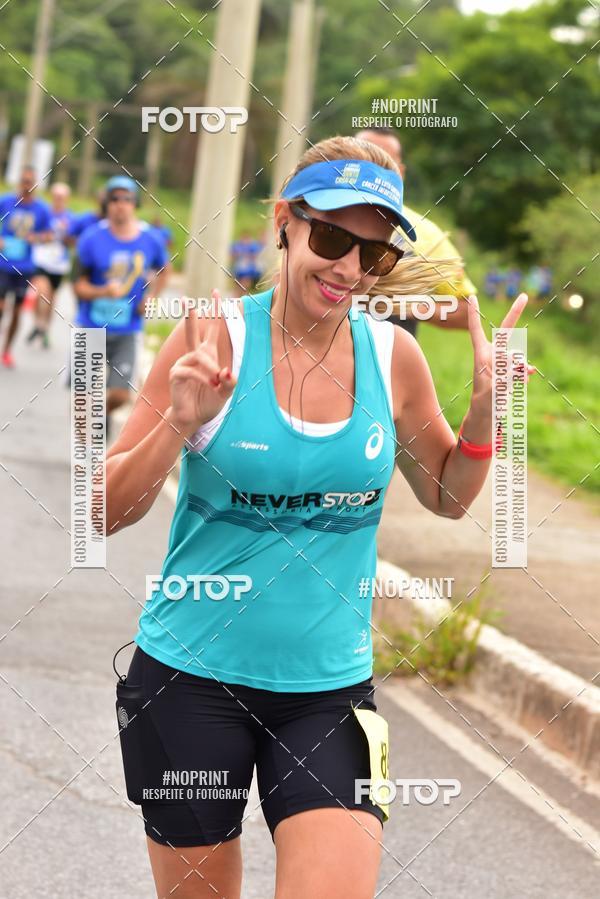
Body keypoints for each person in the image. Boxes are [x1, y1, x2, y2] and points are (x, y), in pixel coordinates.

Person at [106, 136, 532, 899]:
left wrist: (484, 414)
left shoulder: (394, 356)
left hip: (329, 695)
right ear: (285, 221)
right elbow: (104, 511)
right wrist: (177, 421)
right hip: (190, 683)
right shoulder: (214, 339)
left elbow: (449, 494)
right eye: (333, 237)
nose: (349, 269)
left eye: (375, 257)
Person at [72, 175, 169, 438]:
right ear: (107, 203)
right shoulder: (91, 238)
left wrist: (151, 298)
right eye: (114, 199)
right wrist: (102, 290)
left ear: (134, 203)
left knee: (121, 394)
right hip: (91, 325)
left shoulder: (150, 239)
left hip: (128, 328)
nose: (120, 204)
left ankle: (102, 413)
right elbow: (77, 285)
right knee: (83, 399)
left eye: (126, 199)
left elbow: (164, 270)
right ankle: (87, 457)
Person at [355, 126, 476, 335]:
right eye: (362, 160)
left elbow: (467, 311)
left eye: (384, 164)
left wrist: (405, 305)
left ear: (400, 173)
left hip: (391, 365)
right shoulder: (318, 213)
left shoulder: (424, 234)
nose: (372, 172)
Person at [0, 166, 52, 367]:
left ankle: (6, 350)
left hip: (24, 268)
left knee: (16, 311)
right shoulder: (6, 201)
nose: (26, 185)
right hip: (2, 265)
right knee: (2, 307)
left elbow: (50, 235)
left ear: (35, 185)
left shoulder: (41, 209)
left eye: (30, 182)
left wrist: (37, 237)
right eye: (23, 181)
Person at [27, 182, 75, 348]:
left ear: (67, 199)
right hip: (41, 260)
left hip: (59, 264)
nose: (58, 200)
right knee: (41, 291)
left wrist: (68, 240)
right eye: (56, 196)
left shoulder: (71, 218)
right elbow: (31, 234)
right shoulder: (44, 213)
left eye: (62, 197)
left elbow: (74, 241)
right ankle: (38, 323)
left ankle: (44, 328)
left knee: (51, 298)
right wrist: (43, 238)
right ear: (51, 196)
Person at [230, 230, 264, 295]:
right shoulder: (237, 245)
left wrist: (247, 257)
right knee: (239, 282)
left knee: (246, 280)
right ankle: (238, 293)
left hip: (249, 269)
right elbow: (232, 255)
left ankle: (242, 293)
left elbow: (255, 256)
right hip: (238, 268)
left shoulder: (253, 246)